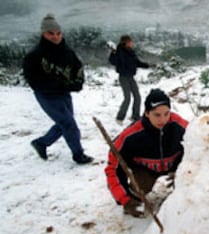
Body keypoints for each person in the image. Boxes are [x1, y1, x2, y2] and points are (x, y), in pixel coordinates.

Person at [104, 88, 188, 217]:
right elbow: (113, 168)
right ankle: (135, 196)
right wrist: (124, 199)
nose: (163, 119)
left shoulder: (181, 127)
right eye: (157, 115)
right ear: (147, 113)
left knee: (189, 179)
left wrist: (183, 171)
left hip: (174, 167)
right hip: (145, 171)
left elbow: (201, 150)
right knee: (139, 186)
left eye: (167, 113)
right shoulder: (130, 136)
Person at [23, 13, 93, 164]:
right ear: (43, 33)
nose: (55, 37)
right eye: (51, 33)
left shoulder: (67, 52)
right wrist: (60, 85)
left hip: (64, 93)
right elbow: (34, 80)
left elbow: (77, 67)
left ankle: (41, 143)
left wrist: (78, 82)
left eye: (58, 33)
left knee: (64, 124)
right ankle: (78, 155)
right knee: (69, 124)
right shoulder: (34, 56)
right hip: (47, 95)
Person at [108, 35, 151, 125]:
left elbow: (136, 62)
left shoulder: (131, 52)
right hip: (123, 77)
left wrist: (148, 65)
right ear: (126, 42)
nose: (132, 43)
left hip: (131, 77)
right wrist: (113, 53)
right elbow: (113, 61)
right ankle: (120, 118)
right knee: (127, 98)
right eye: (130, 41)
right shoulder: (119, 52)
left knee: (137, 97)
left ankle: (135, 117)